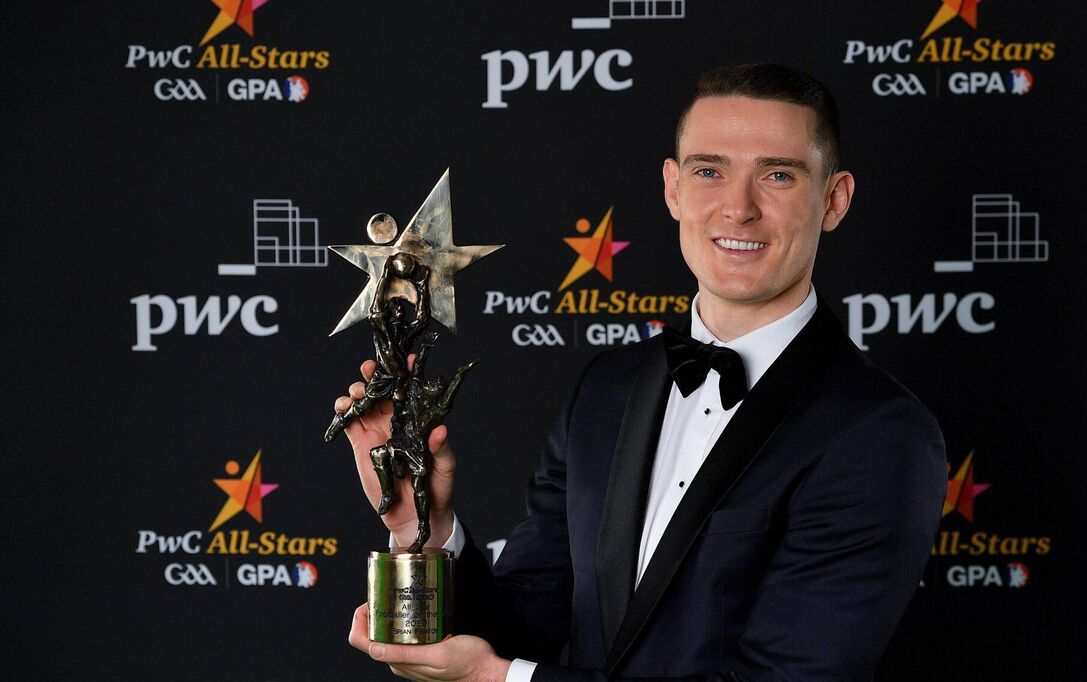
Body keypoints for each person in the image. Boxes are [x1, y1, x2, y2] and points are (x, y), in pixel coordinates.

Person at [337, 63, 947, 681]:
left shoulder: (881, 434)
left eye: (778, 175)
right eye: (709, 171)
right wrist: (424, 528)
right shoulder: (606, 389)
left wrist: (497, 681)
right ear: (673, 188)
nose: (738, 209)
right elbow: (522, 627)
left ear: (835, 200)